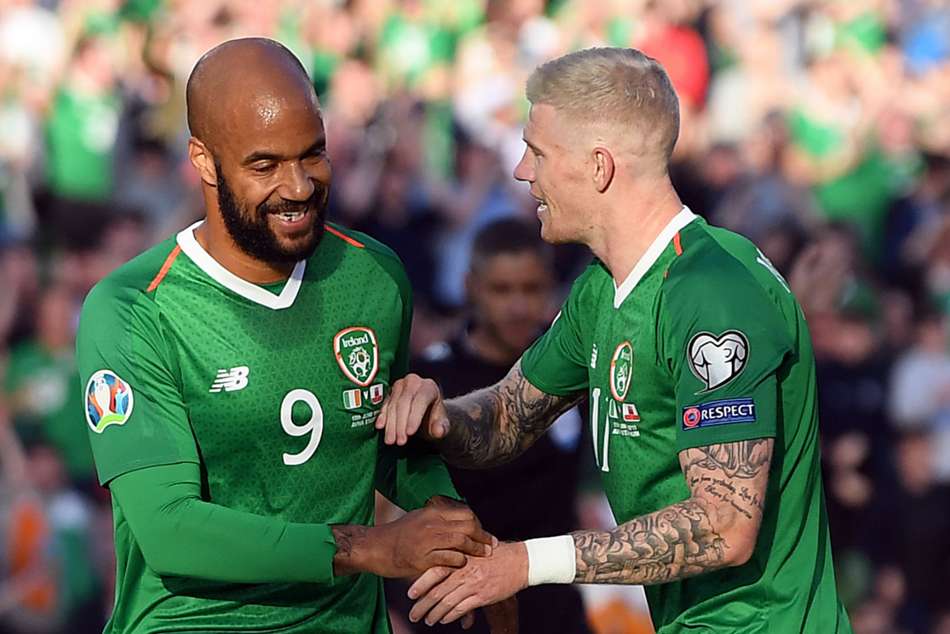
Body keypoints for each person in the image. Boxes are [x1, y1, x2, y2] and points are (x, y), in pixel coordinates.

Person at [378, 47, 853, 633]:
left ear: (599, 167)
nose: (523, 172)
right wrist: (437, 418)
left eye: (538, 153)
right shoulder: (601, 290)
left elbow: (725, 524)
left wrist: (526, 562)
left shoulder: (709, 291)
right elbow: (508, 414)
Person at [76, 38, 505, 634]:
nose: (300, 185)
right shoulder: (133, 308)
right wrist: (371, 548)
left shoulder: (374, 277)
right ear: (203, 161)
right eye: (264, 165)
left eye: (313, 155)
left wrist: (443, 514)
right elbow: (169, 527)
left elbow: (381, 446)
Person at [386, 218, 590, 633]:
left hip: (556, 608)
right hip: (458, 612)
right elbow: (384, 512)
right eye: (502, 289)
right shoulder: (430, 384)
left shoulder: (575, 373)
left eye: (531, 288)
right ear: (470, 286)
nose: (517, 306)